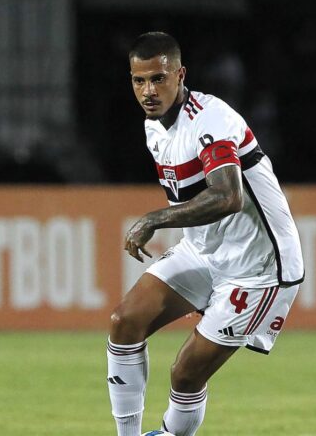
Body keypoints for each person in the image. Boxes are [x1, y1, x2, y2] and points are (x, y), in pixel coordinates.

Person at [107, 32, 303, 436]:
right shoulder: (154, 126)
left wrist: (154, 219)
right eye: (138, 80)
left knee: (185, 374)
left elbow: (229, 196)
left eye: (158, 78)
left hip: (258, 266)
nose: (148, 90)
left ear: (180, 75)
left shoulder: (210, 120)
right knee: (124, 322)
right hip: (205, 251)